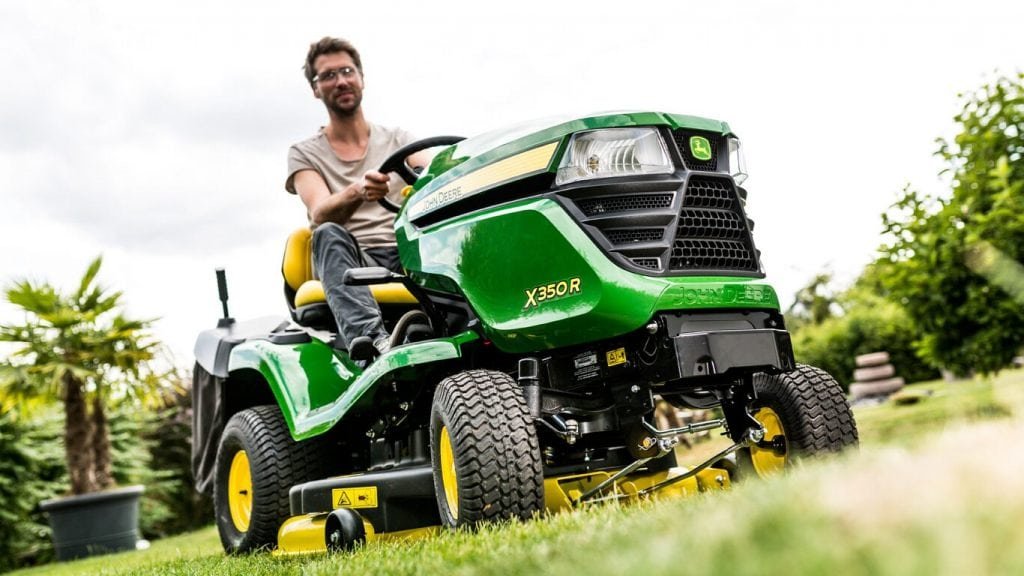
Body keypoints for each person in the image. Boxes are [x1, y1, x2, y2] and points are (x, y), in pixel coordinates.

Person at [285, 37, 423, 357]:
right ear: (316, 89)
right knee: (328, 232)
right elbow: (319, 212)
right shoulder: (304, 153)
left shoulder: (399, 139)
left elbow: (434, 173)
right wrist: (357, 191)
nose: (341, 81)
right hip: (356, 259)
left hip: (410, 251)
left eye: (347, 71)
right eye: (328, 75)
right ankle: (373, 342)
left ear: (361, 77)